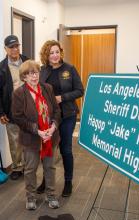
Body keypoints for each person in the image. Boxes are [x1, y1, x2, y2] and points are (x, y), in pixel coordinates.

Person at [11, 60, 61, 210]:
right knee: (30, 169)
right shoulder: (19, 93)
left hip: (50, 136)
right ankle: (31, 197)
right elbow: (18, 118)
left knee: (50, 167)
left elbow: (57, 111)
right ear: (24, 77)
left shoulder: (47, 88)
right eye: (30, 74)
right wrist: (37, 130)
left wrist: (53, 127)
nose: (34, 76)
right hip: (31, 138)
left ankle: (51, 195)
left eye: (36, 72)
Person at [38, 40, 84, 197]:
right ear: (46, 55)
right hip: (48, 117)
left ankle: (68, 182)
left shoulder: (69, 69)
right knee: (47, 150)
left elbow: (80, 90)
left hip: (67, 115)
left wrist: (62, 98)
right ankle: (46, 180)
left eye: (57, 52)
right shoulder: (42, 71)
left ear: (61, 53)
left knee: (65, 149)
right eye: (51, 53)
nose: (55, 55)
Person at [0, 35, 29, 180]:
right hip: (12, 110)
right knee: (15, 142)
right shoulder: (0, 68)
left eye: (17, 46)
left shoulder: (28, 61)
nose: (15, 49)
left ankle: (29, 166)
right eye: (11, 47)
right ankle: (17, 167)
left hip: (29, 109)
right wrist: (1, 113)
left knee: (30, 139)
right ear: (5, 49)